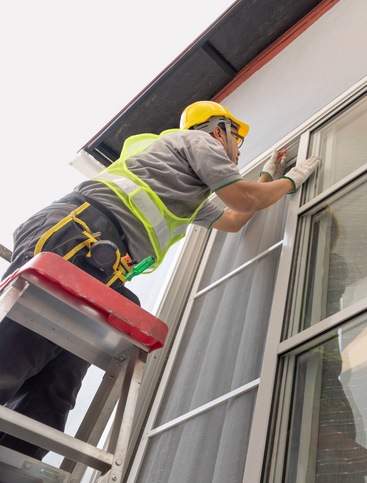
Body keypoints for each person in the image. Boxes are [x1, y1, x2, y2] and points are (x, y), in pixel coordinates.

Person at [0, 100, 320, 460]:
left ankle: (16, 462)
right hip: (82, 235)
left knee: (58, 380)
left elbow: (234, 218)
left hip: (102, 261)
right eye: (237, 145)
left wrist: (269, 176)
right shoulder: (196, 143)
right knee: (21, 348)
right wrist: (289, 182)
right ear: (219, 131)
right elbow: (243, 198)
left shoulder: (189, 191)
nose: (234, 156)